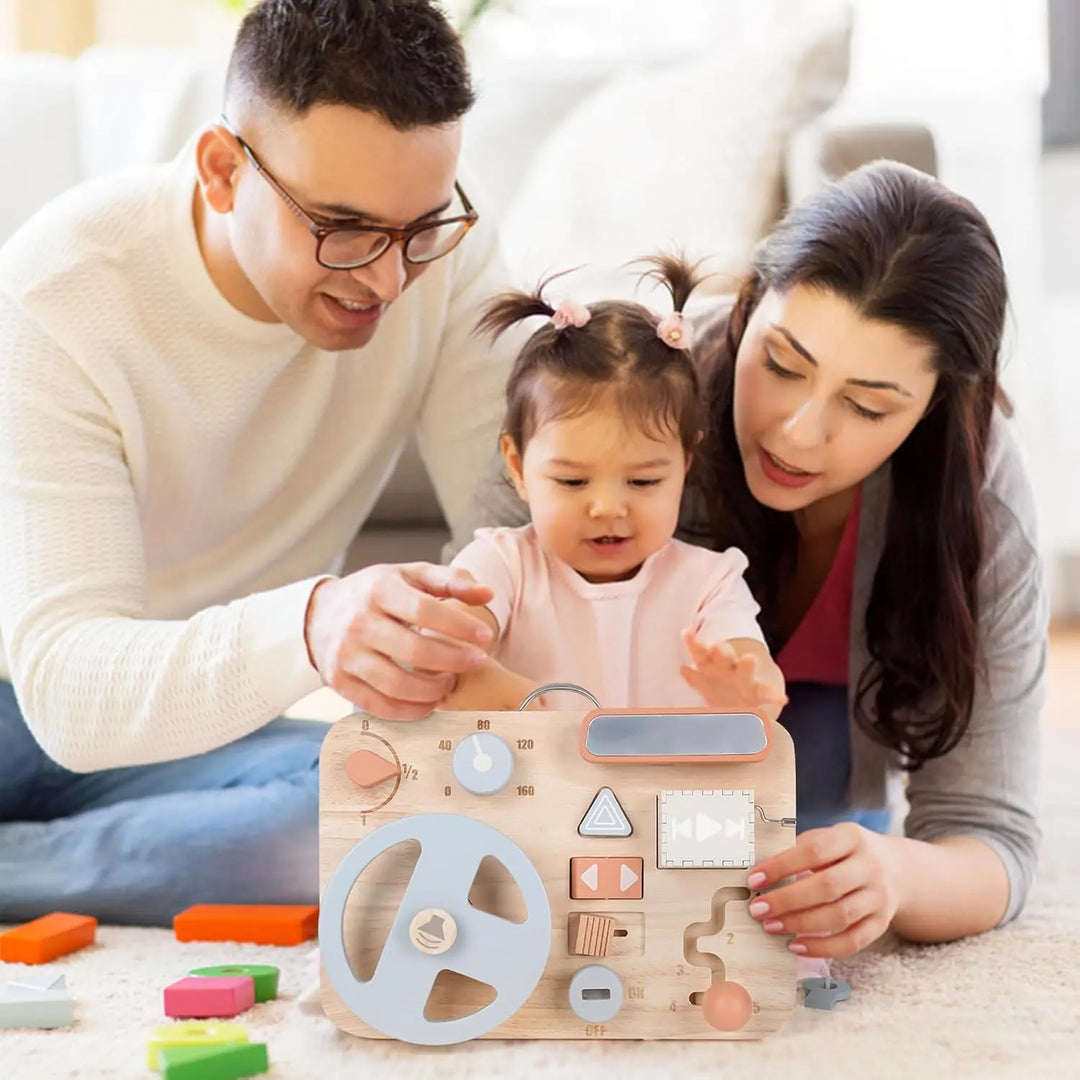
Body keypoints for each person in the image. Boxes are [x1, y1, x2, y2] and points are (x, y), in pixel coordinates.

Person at [0, 0, 510, 926]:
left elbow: (516, 539)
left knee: (402, 801)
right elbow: (67, 695)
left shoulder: (443, 260)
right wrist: (315, 625)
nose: (388, 281)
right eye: (344, 228)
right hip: (22, 700)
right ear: (223, 170)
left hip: (202, 729)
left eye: (420, 228)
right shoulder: (58, 294)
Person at [458, 160, 1047, 960]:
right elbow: (462, 656)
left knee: (804, 801)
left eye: (868, 405)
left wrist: (893, 876)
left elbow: (992, 839)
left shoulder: (979, 509)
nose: (799, 433)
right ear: (746, 306)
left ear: (939, 403)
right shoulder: (631, 404)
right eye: (780, 364)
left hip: (775, 766)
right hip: (554, 757)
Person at [440, 257, 787, 717]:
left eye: (643, 480)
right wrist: (464, 667)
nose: (606, 507)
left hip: (661, 788)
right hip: (530, 786)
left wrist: (749, 691)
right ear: (518, 468)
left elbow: (752, 663)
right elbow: (445, 637)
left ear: (685, 465)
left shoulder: (709, 584)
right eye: (573, 480)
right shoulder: (501, 566)